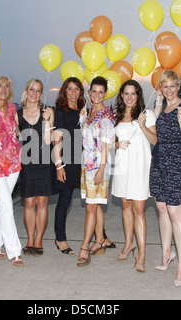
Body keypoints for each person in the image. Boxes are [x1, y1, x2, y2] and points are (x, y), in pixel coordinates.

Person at [149, 70, 181, 287]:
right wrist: (158, 107)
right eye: (164, 86)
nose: (169, 90)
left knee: (176, 215)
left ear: (178, 86)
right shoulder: (163, 106)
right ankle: (167, 255)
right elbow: (158, 136)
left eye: (172, 86)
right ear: (161, 88)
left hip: (176, 165)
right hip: (159, 163)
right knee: (161, 209)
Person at [111, 80, 157, 272]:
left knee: (139, 209)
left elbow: (154, 140)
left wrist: (144, 125)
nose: (129, 97)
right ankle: (128, 244)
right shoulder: (116, 116)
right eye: (126, 94)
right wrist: (115, 145)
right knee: (125, 206)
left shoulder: (148, 114)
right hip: (122, 166)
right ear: (121, 95)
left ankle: (142, 252)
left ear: (138, 95)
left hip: (140, 166)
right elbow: (108, 143)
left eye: (133, 93)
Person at [78, 76, 115, 267]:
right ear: (89, 93)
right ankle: (99, 240)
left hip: (98, 168)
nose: (97, 95)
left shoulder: (106, 117)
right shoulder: (90, 112)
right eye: (94, 91)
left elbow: (106, 147)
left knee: (91, 207)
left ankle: (85, 247)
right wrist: (83, 120)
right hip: (87, 166)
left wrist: (101, 170)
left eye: (101, 92)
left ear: (105, 94)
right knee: (96, 205)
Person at [16, 79, 54, 256]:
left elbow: (48, 141)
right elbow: (15, 137)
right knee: (29, 202)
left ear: (41, 94)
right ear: (26, 90)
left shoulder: (47, 112)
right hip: (27, 163)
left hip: (45, 161)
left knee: (42, 202)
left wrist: (47, 123)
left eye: (38, 91)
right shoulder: (17, 114)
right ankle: (30, 239)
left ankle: (39, 240)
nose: (34, 93)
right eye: (31, 89)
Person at [0, 75, 23, 267]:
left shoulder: (11, 108)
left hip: (13, 162)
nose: (3, 88)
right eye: (0, 85)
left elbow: (17, 132)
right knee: (7, 206)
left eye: (7, 86)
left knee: (2, 205)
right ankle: (14, 251)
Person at [52, 77, 85, 255]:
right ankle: (60, 238)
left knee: (92, 202)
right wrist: (59, 166)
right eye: (70, 89)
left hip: (84, 161)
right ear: (64, 91)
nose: (73, 92)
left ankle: (101, 236)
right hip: (67, 162)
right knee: (64, 201)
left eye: (77, 89)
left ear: (81, 91)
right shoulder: (61, 112)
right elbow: (56, 141)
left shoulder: (83, 111)